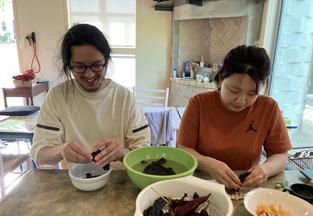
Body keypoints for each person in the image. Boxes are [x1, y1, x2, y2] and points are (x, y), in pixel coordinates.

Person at [30, 24, 150, 169]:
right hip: (76, 183)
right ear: (69, 65)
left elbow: (145, 152)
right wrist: (61, 150)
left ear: (106, 61)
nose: (89, 74)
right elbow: (39, 156)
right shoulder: (57, 97)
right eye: (80, 67)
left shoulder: (125, 98)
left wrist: (120, 153)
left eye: (97, 65)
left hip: (118, 183)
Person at [177, 45, 292, 189]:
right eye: (234, 90)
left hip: (245, 187)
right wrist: (210, 165)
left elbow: (280, 155)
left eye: (252, 94)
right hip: (203, 183)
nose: (241, 100)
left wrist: (265, 170)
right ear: (220, 78)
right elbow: (184, 148)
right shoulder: (199, 103)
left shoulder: (268, 108)